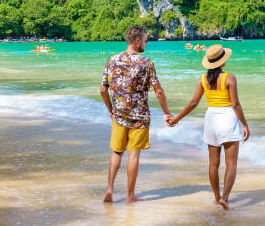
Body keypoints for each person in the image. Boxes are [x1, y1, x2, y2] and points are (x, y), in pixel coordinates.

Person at [168, 44, 250, 209]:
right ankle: (225, 198)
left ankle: (216, 197)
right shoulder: (230, 78)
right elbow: (235, 105)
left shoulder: (203, 79)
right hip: (227, 119)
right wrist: (245, 124)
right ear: (223, 61)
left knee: (213, 163)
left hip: (211, 120)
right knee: (231, 163)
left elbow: (193, 103)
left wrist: (176, 118)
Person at [100, 26, 174, 203]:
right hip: (139, 117)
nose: (147, 43)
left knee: (117, 152)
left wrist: (111, 110)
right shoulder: (146, 63)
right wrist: (167, 113)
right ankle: (130, 195)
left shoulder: (112, 61)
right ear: (138, 41)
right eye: (146, 40)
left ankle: (109, 189)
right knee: (133, 155)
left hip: (118, 115)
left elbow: (103, 89)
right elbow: (159, 91)